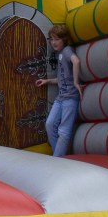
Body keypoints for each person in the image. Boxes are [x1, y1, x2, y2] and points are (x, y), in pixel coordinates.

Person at [34, 25, 83, 157]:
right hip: (61, 97)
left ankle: (56, 160)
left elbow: (76, 61)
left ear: (64, 39)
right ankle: (59, 158)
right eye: (51, 39)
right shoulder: (60, 53)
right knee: (50, 124)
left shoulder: (67, 50)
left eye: (57, 39)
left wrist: (76, 82)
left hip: (70, 97)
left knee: (64, 131)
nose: (53, 42)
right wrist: (47, 81)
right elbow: (62, 78)